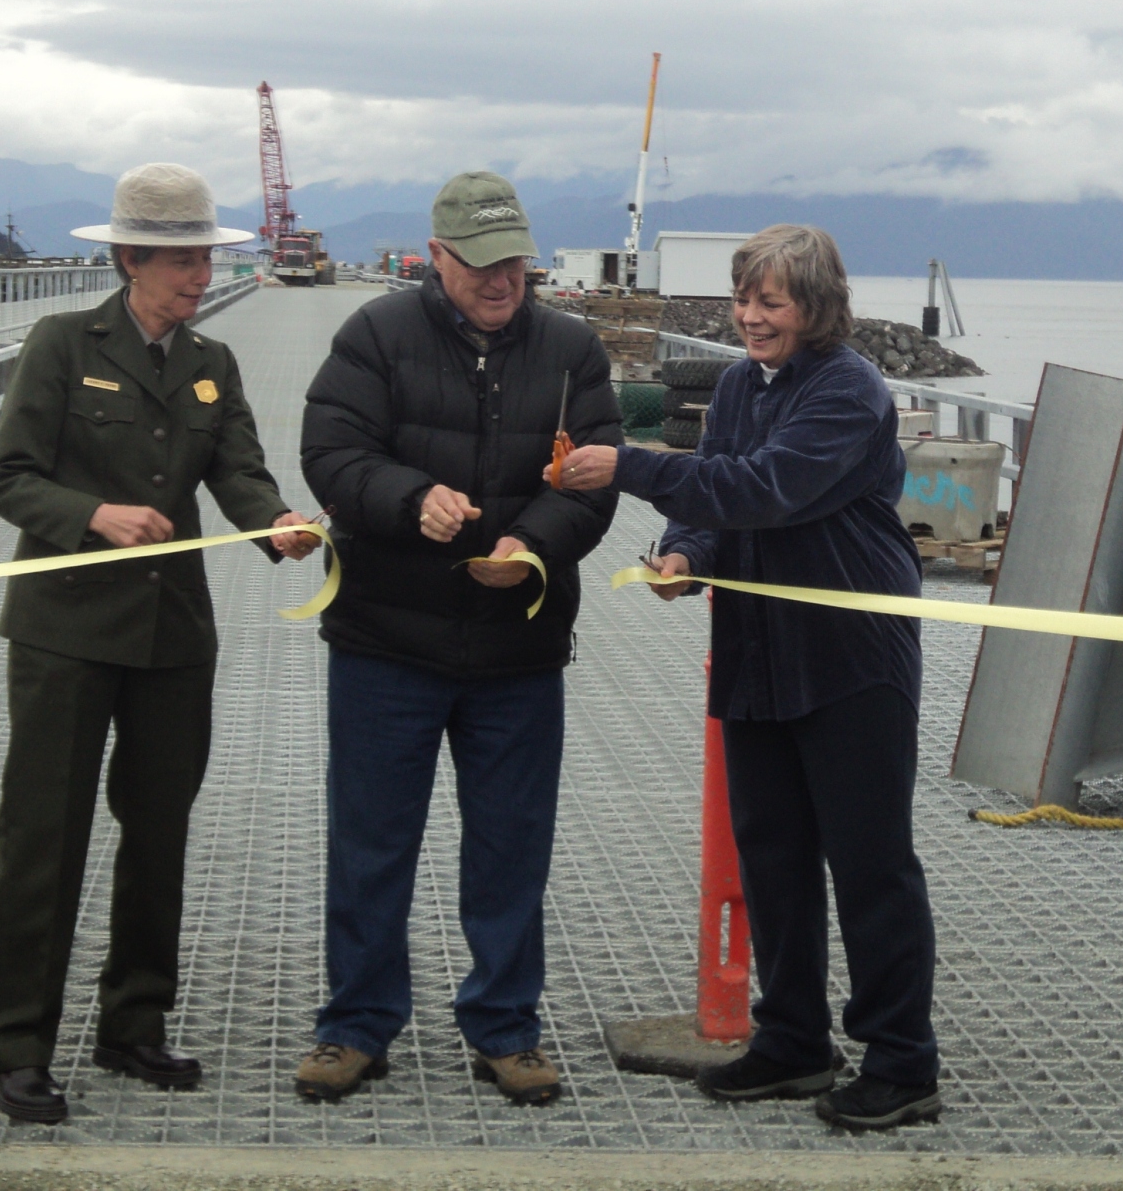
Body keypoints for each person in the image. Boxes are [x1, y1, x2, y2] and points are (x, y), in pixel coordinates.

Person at [559, 223, 942, 1133]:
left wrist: (631, 468)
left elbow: (768, 487)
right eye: (744, 300)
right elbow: (720, 497)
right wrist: (684, 552)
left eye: (770, 302)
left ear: (814, 307)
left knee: (869, 863)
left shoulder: (849, 388)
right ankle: (794, 1039)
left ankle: (903, 1061)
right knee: (772, 855)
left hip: (851, 656)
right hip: (759, 652)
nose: (749, 318)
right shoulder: (735, 383)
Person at [0, 163, 320, 1125]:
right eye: (180, 261)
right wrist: (93, 515)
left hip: (173, 636)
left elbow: (240, 471)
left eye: (206, 260)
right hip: (66, 634)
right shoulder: (60, 345)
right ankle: (17, 1044)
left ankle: (133, 1023)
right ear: (129, 258)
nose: (199, 277)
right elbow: (9, 481)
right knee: (45, 836)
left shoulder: (212, 360)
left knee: (158, 830)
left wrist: (276, 525)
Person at [294, 171, 622, 1106]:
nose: (500, 280)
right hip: (385, 642)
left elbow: (590, 483)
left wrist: (534, 549)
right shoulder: (374, 335)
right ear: (436, 257)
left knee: (513, 845)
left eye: (514, 261)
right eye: (479, 263)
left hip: (516, 650)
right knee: (370, 842)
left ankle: (506, 1025)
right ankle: (355, 1026)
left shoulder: (571, 350)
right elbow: (332, 453)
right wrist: (408, 498)